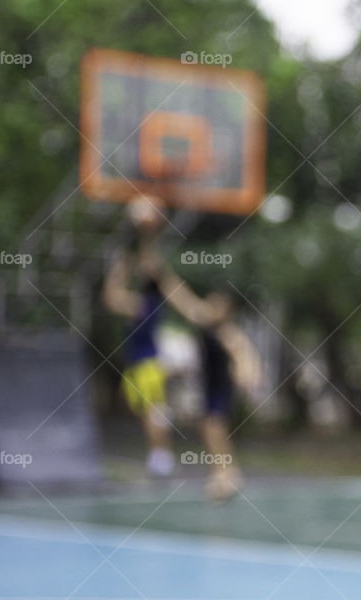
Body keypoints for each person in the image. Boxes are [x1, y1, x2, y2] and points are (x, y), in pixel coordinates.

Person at [155, 269, 260, 500]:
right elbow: (181, 297)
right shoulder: (203, 320)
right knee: (208, 428)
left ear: (227, 310)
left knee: (214, 429)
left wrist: (248, 374)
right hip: (207, 386)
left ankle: (228, 474)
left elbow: (244, 353)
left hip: (221, 388)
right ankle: (220, 474)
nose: (214, 307)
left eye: (220, 305)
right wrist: (162, 278)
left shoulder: (227, 333)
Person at [102, 196, 175, 477]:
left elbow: (112, 296)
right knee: (146, 410)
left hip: (148, 363)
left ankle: (161, 457)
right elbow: (113, 295)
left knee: (151, 410)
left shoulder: (145, 305)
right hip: (138, 362)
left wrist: (146, 233)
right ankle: (160, 455)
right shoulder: (140, 301)